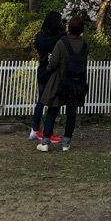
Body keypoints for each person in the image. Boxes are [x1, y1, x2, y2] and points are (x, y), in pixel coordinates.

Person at [36, 15, 88, 152]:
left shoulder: (62, 43)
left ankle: (46, 141)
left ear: (69, 28)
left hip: (60, 80)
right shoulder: (84, 45)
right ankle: (66, 142)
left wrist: (46, 70)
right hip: (76, 82)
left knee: (53, 110)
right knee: (72, 113)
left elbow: (53, 63)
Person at [28, 11, 66, 143]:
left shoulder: (39, 37)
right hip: (53, 73)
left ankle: (35, 128)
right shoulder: (59, 37)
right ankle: (48, 132)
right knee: (53, 103)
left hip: (42, 71)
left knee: (41, 101)